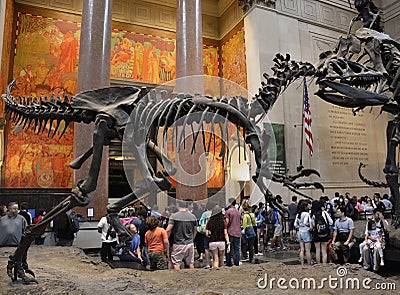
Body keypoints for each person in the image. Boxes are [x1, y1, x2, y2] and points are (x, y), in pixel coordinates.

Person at [166, 200, 197, 270]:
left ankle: (178, 279)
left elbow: (168, 229)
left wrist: (166, 239)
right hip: (190, 243)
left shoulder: (174, 216)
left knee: (176, 263)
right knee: (191, 263)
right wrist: (193, 238)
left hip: (178, 243)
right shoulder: (192, 216)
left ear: (178, 205)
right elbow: (195, 229)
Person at [294, 200, 313, 265]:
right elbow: (306, 222)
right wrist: (310, 226)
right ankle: (309, 264)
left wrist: (299, 226)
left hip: (300, 231)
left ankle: (302, 263)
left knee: (302, 249)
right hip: (306, 231)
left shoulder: (298, 214)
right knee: (307, 250)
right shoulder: (307, 214)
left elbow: (295, 225)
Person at [225, 198, 242, 267]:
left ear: (230, 203)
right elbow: (241, 222)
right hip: (238, 232)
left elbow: (227, 222)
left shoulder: (228, 212)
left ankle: (229, 263)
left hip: (230, 232)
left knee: (229, 248)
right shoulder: (238, 212)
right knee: (236, 249)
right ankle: (236, 262)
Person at [198, 202, 215, 268]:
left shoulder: (204, 214)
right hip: (214, 232)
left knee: (206, 248)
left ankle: (208, 263)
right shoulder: (214, 213)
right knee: (214, 248)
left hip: (206, 232)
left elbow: (200, 222)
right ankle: (214, 262)